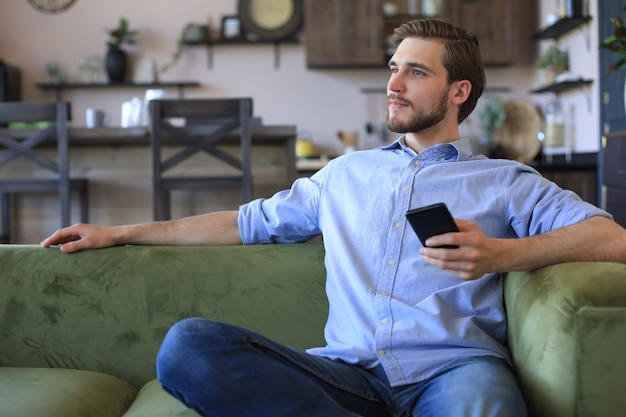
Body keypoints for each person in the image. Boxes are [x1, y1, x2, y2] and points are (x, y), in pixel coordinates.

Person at [42, 19, 626, 417]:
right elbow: (243, 223)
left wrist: (504, 255)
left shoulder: (505, 180)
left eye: (416, 73)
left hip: (455, 369)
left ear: (458, 91)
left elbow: (613, 237)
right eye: (394, 68)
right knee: (187, 347)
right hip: (345, 376)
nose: (393, 84)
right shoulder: (344, 174)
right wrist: (119, 231)